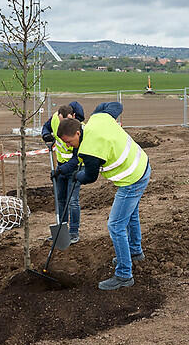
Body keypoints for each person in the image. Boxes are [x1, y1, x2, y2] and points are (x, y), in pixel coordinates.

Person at [56, 102, 150, 291]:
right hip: (142, 164)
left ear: (77, 133)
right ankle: (134, 251)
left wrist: (76, 176)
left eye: (68, 142)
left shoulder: (90, 150)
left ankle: (124, 275)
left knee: (115, 225)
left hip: (132, 179)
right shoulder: (97, 119)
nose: (67, 146)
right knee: (131, 215)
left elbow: (90, 177)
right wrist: (62, 170)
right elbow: (115, 106)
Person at [41, 101, 85, 243]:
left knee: (72, 201)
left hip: (75, 168)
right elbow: (46, 127)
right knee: (60, 199)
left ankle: (73, 232)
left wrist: (60, 170)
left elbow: (77, 159)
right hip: (61, 166)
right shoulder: (55, 118)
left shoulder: (80, 129)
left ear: (73, 116)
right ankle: (62, 230)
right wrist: (46, 134)